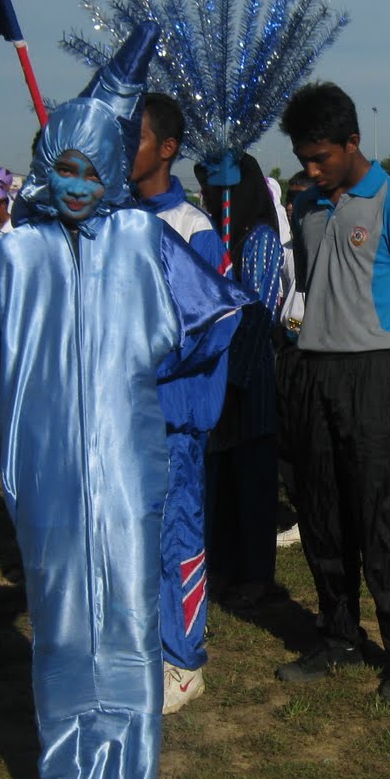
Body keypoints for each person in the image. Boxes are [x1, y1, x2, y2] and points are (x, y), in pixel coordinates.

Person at [0, 93, 246, 779]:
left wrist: (145, 365)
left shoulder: (142, 241)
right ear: (45, 169)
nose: (82, 182)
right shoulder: (18, 255)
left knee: (128, 627)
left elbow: (216, 315)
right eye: (66, 166)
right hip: (48, 473)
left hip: (128, 468)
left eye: (96, 167)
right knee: (58, 631)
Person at [274, 81, 390, 704]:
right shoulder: (310, 207)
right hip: (313, 371)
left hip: (376, 372)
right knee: (322, 510)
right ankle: (338, 634)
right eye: (303, 160)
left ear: (353, 142)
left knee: (384, 515)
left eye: (321, 157)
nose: (312, 170)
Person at [129, 92, 231, 714]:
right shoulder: (111, 220)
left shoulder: (193, 229)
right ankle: (141, 649)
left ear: (166, 149)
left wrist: (151, 361)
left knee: (177, 531)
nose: (121, 151)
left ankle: (183, 661)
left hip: (174, 414)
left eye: (133, 138)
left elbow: (216, 323)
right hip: (123, 415)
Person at [199, 153, 287, 610]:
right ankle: (224, 565)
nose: (211, 198)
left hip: (247, 383)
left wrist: (233, 384)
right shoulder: (218, 239)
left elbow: (258, 317)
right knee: (221, 483)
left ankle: (257, 573)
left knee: (252, 481)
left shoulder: (260, 241)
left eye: (219, 190)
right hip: (218, 381)